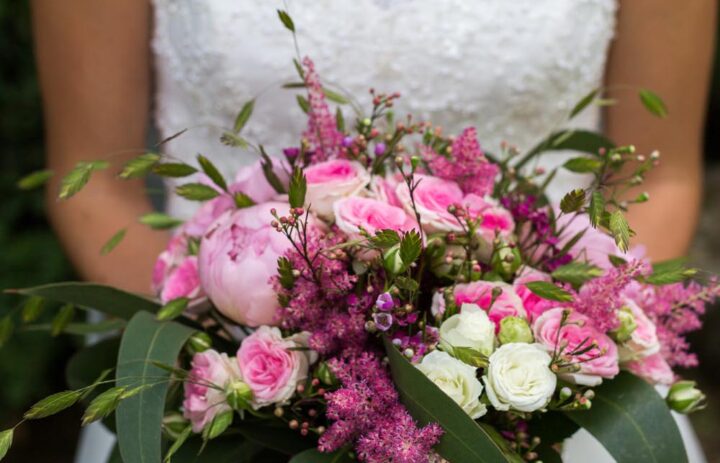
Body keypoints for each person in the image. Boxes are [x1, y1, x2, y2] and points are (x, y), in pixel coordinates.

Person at [30, 1, 715, 462]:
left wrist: (517, 401)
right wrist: (256, 388)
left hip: (543, 414)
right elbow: (97, 186)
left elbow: (662, 179)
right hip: (234, 412)